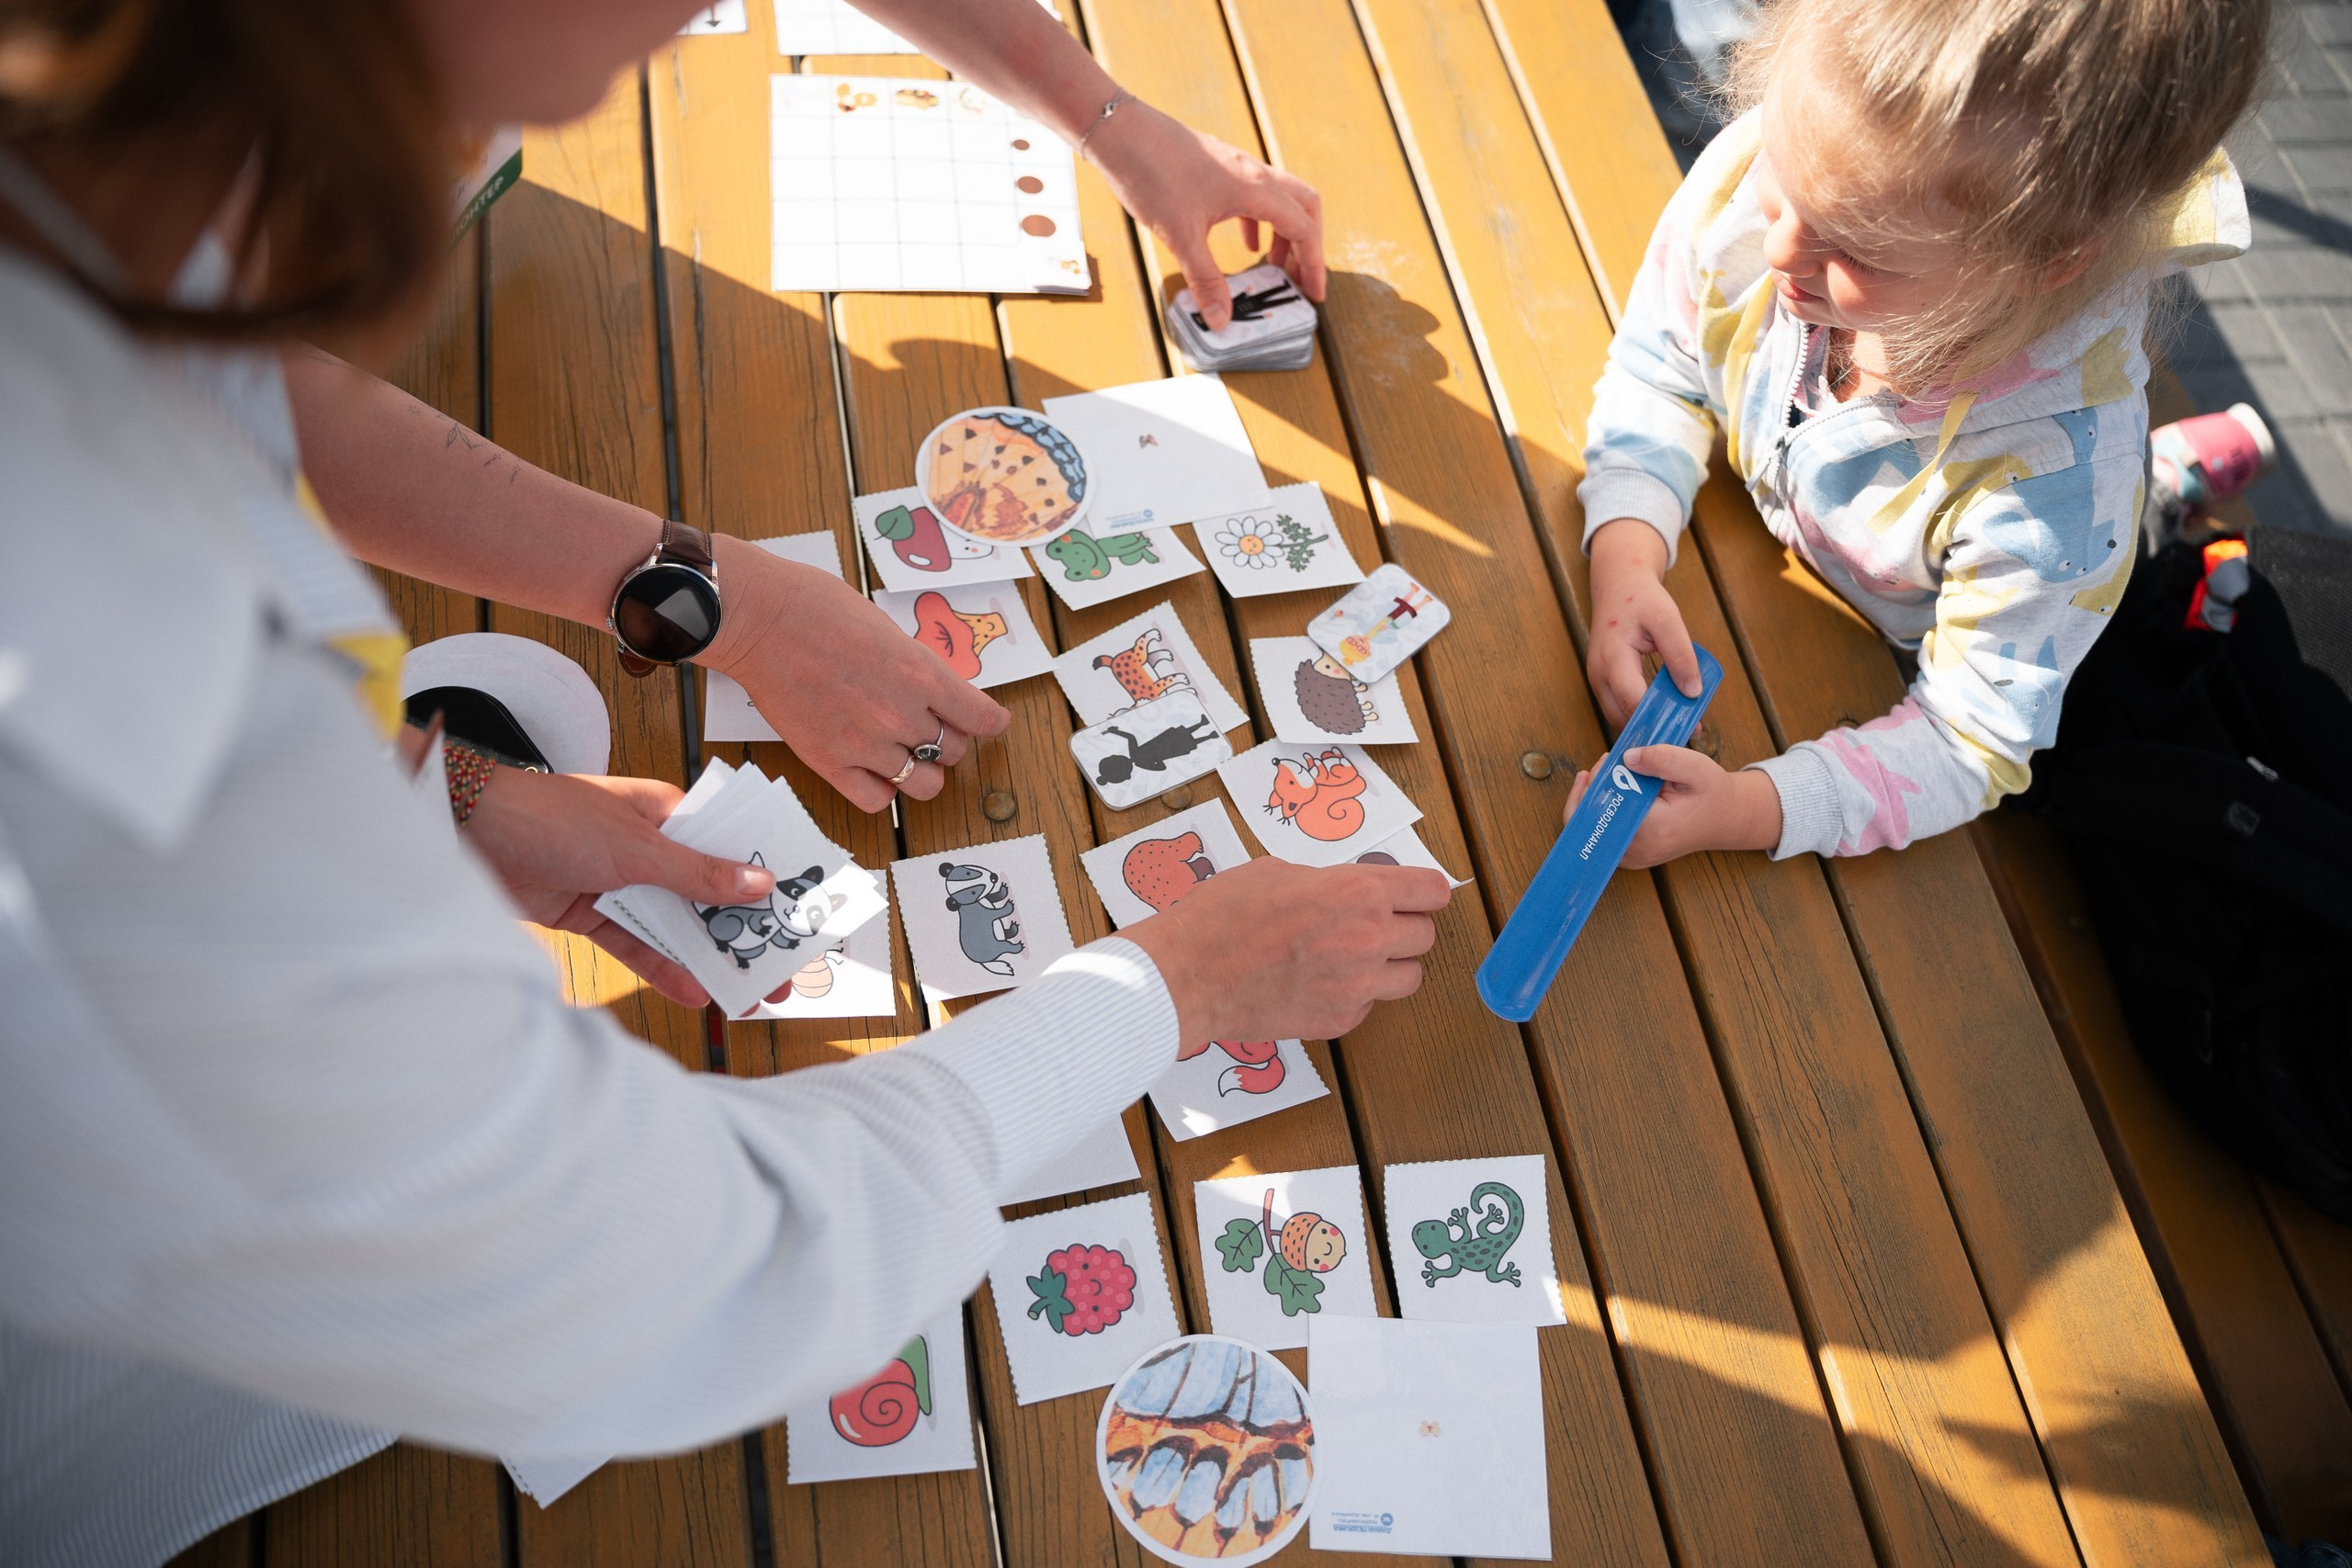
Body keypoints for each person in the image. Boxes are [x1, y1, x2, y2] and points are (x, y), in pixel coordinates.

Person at [0, 2, 1442, 1563]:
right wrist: (1166, 987)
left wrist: (445, 788)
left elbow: (233, 385)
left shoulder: (94, 202)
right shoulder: (134, 746)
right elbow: (682, 1281)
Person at [1566, 0, 2266, 865]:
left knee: (2130, 534)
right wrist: (1626, 556)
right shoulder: (1793, 175)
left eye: (1859, 253)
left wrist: (1746, 809)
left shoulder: (2054, 496)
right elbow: (1660, 365)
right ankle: (2172, 476)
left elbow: (1968, 740)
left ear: (2042, 263)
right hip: (1814, 557)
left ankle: (2165, 485)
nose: (1778, 247)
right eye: (1779, 173)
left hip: (1906, 648)